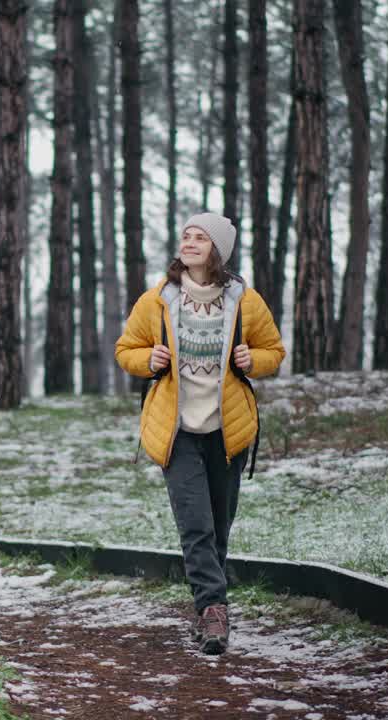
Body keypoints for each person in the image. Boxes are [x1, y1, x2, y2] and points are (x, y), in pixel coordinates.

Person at [115, 212, 286, 655]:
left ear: (218, 250)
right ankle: (213, 610)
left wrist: (255, 360)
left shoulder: (244, 300)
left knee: (218, 524)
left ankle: (209, 610)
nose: (189, 243)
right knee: (195, 525)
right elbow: (125, 349)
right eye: (186, 235)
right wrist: (146, 360)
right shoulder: (157, 300)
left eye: (200, 238)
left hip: (228, 429)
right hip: (176, 431)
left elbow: (274, 350)